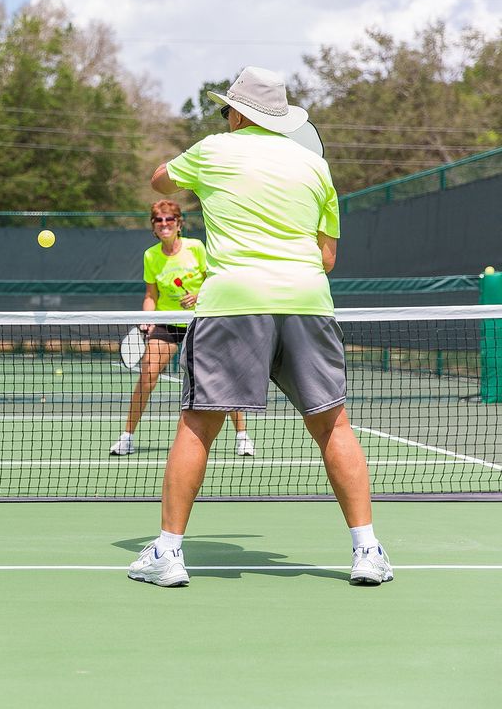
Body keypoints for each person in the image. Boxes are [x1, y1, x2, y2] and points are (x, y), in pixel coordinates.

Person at [128, 66, 393, 588]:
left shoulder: (212, 150)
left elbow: (159, 180)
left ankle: (169, 553)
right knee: (333, 425)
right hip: (307, 301)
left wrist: (194, 172)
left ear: (241, 113)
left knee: (198, 424)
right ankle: (367, 550)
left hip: (233, 303)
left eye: (227, 109)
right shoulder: (316, 168)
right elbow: (327, 256)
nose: (224, 117)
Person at [110, 199, 254, 458]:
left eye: (169, 220)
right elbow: (150, 295)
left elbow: (216, 279)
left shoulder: (195, 248)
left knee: (222, 378)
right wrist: (147, 317)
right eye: (159, 221)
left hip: (201, 319)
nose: (164, 224)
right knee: (147, 375)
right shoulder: (151, 256)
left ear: (179, 224)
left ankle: (242, 437)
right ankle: (127, 437)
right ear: (153, 227)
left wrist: (199, 295)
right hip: (168, 322)